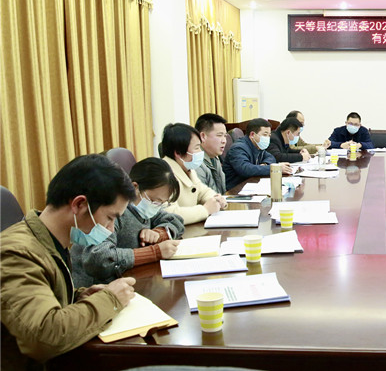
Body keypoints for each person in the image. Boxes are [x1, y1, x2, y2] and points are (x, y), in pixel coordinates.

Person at [1, 154, 137, 368]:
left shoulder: (50, 241)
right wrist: (110, 299)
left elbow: (41, 294)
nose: (111, 229)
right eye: (110, 218)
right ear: (79, 204)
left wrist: (79, 296)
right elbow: (43, 336)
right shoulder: (16, 253)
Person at [71, 158, 184, 287]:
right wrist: (154, 252)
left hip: (127, 279)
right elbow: (98, 257)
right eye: (154, 201)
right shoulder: (115, 212)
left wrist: (159, 233)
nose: (156, 206)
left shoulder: (144, 209)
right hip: (93, 288)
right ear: (135, 188)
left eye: (161, 203)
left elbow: (176, 220)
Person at [161, 123, 226, 223]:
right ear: (178, 153)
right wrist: (205, 210)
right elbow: (170, 213)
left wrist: (216, 199)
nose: (200, 152)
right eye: (196, 148)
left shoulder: (187, 168)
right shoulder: (163, 175)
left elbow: (202, 191)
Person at [223, 118, 292, 191]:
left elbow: (270, 157)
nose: (267, 138)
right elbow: (246, 169)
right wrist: (275, 169)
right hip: (235, 190)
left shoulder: (257, 145)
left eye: (269, 135)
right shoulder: (238, 148)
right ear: (252, 134)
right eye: (265, 135)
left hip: (250, 186)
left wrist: (265, 164)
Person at [194, 113, 228, 195]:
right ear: (203, 136)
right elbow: (202, 198)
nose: (224, 141)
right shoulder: (196, 162)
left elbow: (222, 191)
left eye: (225, 136)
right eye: (219, 135)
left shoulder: (214, 157)